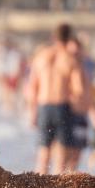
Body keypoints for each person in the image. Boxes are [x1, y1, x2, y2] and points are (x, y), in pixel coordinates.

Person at [25, 23, 87, 174]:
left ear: (54, 37)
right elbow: (78, 90)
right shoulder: (70, 59)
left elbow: (31, 88)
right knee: (60, 157)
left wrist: (32, 111)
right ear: (70, 38)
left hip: (43, 106)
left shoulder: (41, 57)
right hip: (61, 107)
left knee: (43, 154)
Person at [65, 35, 95, 172]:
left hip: (80, 117)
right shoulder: (63, 70)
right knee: (63, 157)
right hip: (65, 117)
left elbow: (90, 99)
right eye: (71, 53)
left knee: (75, 158)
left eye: (77, 52)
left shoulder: (85, 70)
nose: (74, 56)